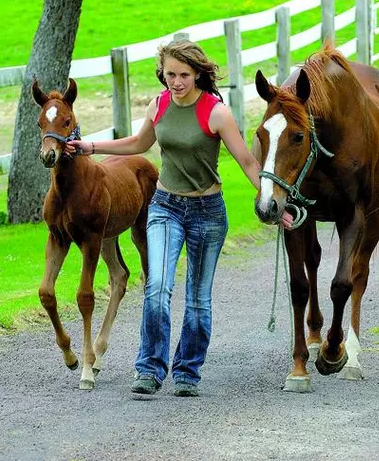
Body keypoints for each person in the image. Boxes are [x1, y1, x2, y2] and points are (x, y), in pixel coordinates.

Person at [66, 39, 291, 397]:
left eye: (184, 75)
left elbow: (248, 161)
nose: (176, 82)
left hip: (207, 213)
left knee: (198, 300)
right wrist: (91, 147)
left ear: (198, 74)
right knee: (156, 290)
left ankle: (187, 371)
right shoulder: (160, 105)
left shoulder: (215, 112)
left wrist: (272, 204)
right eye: (170, 74)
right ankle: (150, 369)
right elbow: (139, 143)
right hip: (165, 206)